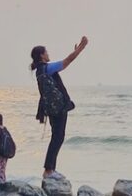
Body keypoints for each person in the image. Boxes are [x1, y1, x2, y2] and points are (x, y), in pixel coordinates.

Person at [30, 37, 88, 179]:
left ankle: (50, 169)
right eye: (46, 52)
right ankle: (49, 170)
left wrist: (76, 50)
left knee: (57, 136)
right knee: (58, 137)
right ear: (42, 55)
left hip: (51, 108)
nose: (48, 54)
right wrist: (81, 49)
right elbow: (67, 61)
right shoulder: (47, 68)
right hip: (58, 107)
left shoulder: (40, 70)